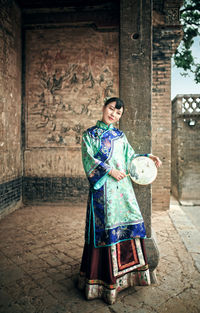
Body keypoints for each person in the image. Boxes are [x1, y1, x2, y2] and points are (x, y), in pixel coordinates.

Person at [78, 97, 162, 304]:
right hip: (103, 191)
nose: (113, 114)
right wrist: (109, 171)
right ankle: (102, 282)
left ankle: (129, 277)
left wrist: (148, 158)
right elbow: (89, 159)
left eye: (118, 113)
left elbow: (130, 157)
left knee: (129, 225)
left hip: (123, 191)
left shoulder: (120, 136)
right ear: (104, 108)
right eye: (111, 109)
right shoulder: (89, 135)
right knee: (105, 231)